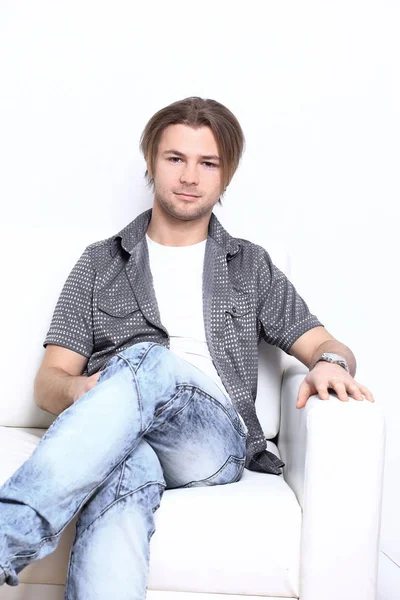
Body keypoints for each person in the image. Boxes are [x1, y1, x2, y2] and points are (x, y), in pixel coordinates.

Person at [0, 96, 374, 598]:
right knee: (122, 476)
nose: (190, 176)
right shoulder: (98, 263)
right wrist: (92, 390)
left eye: (208, 163)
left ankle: (7, 539)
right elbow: (48, 383)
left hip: (209, 443)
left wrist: (330, 362)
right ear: (152, 163)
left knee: (144, 359)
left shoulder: (249, 266)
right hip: (119, 435)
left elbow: (327, 343)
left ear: (226, 176)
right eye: (175, 158)